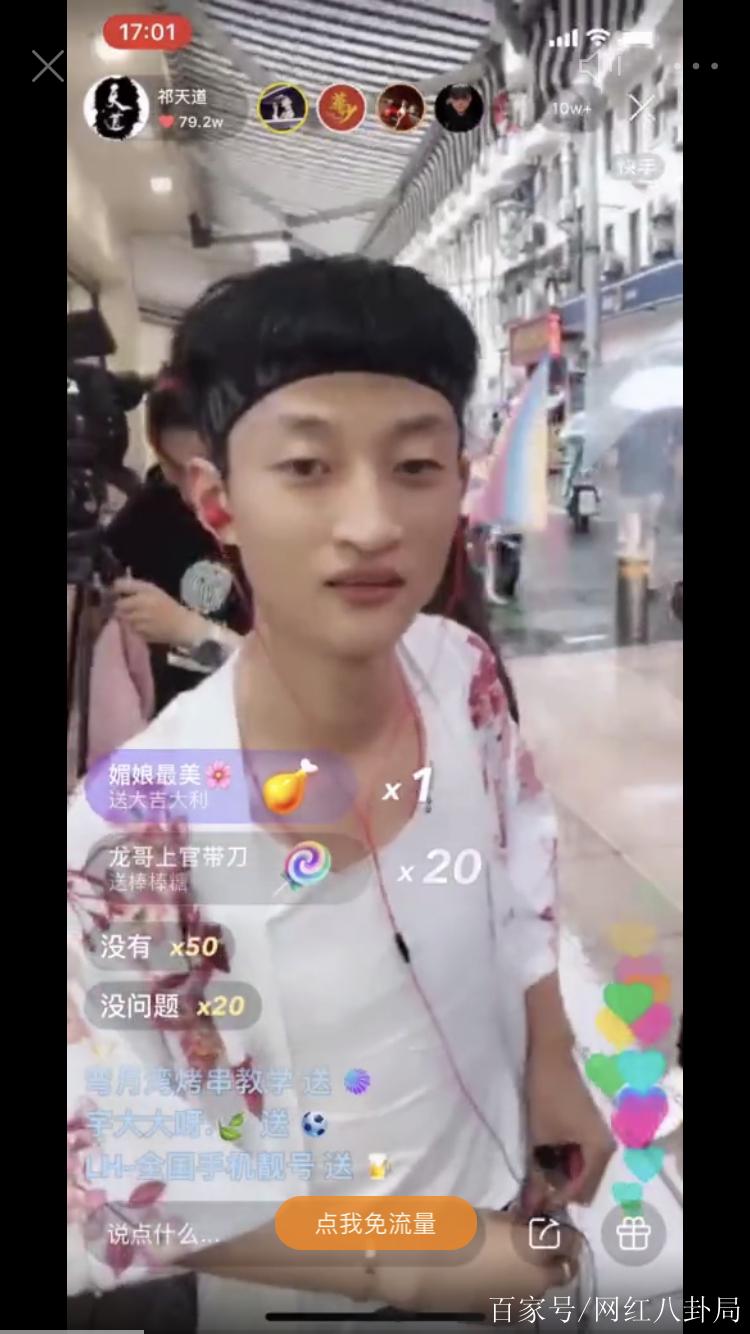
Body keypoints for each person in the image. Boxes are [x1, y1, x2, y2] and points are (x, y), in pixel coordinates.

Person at [68, 258, 611, 1325]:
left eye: (415, 466)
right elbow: (126, 1168)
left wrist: (553, 1058)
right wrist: (413, 1266)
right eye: (309, 467)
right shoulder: (132, 832)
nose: (371, 523)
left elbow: (518, 870)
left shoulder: (458, 672)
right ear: (217, 500)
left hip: (511, 1204)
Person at [105, 372, 250, 714]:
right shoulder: (145, 516)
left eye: (210, 467)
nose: (196, 487)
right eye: (179, 469)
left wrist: (189, 630)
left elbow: (292, 684)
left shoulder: (275, 520)